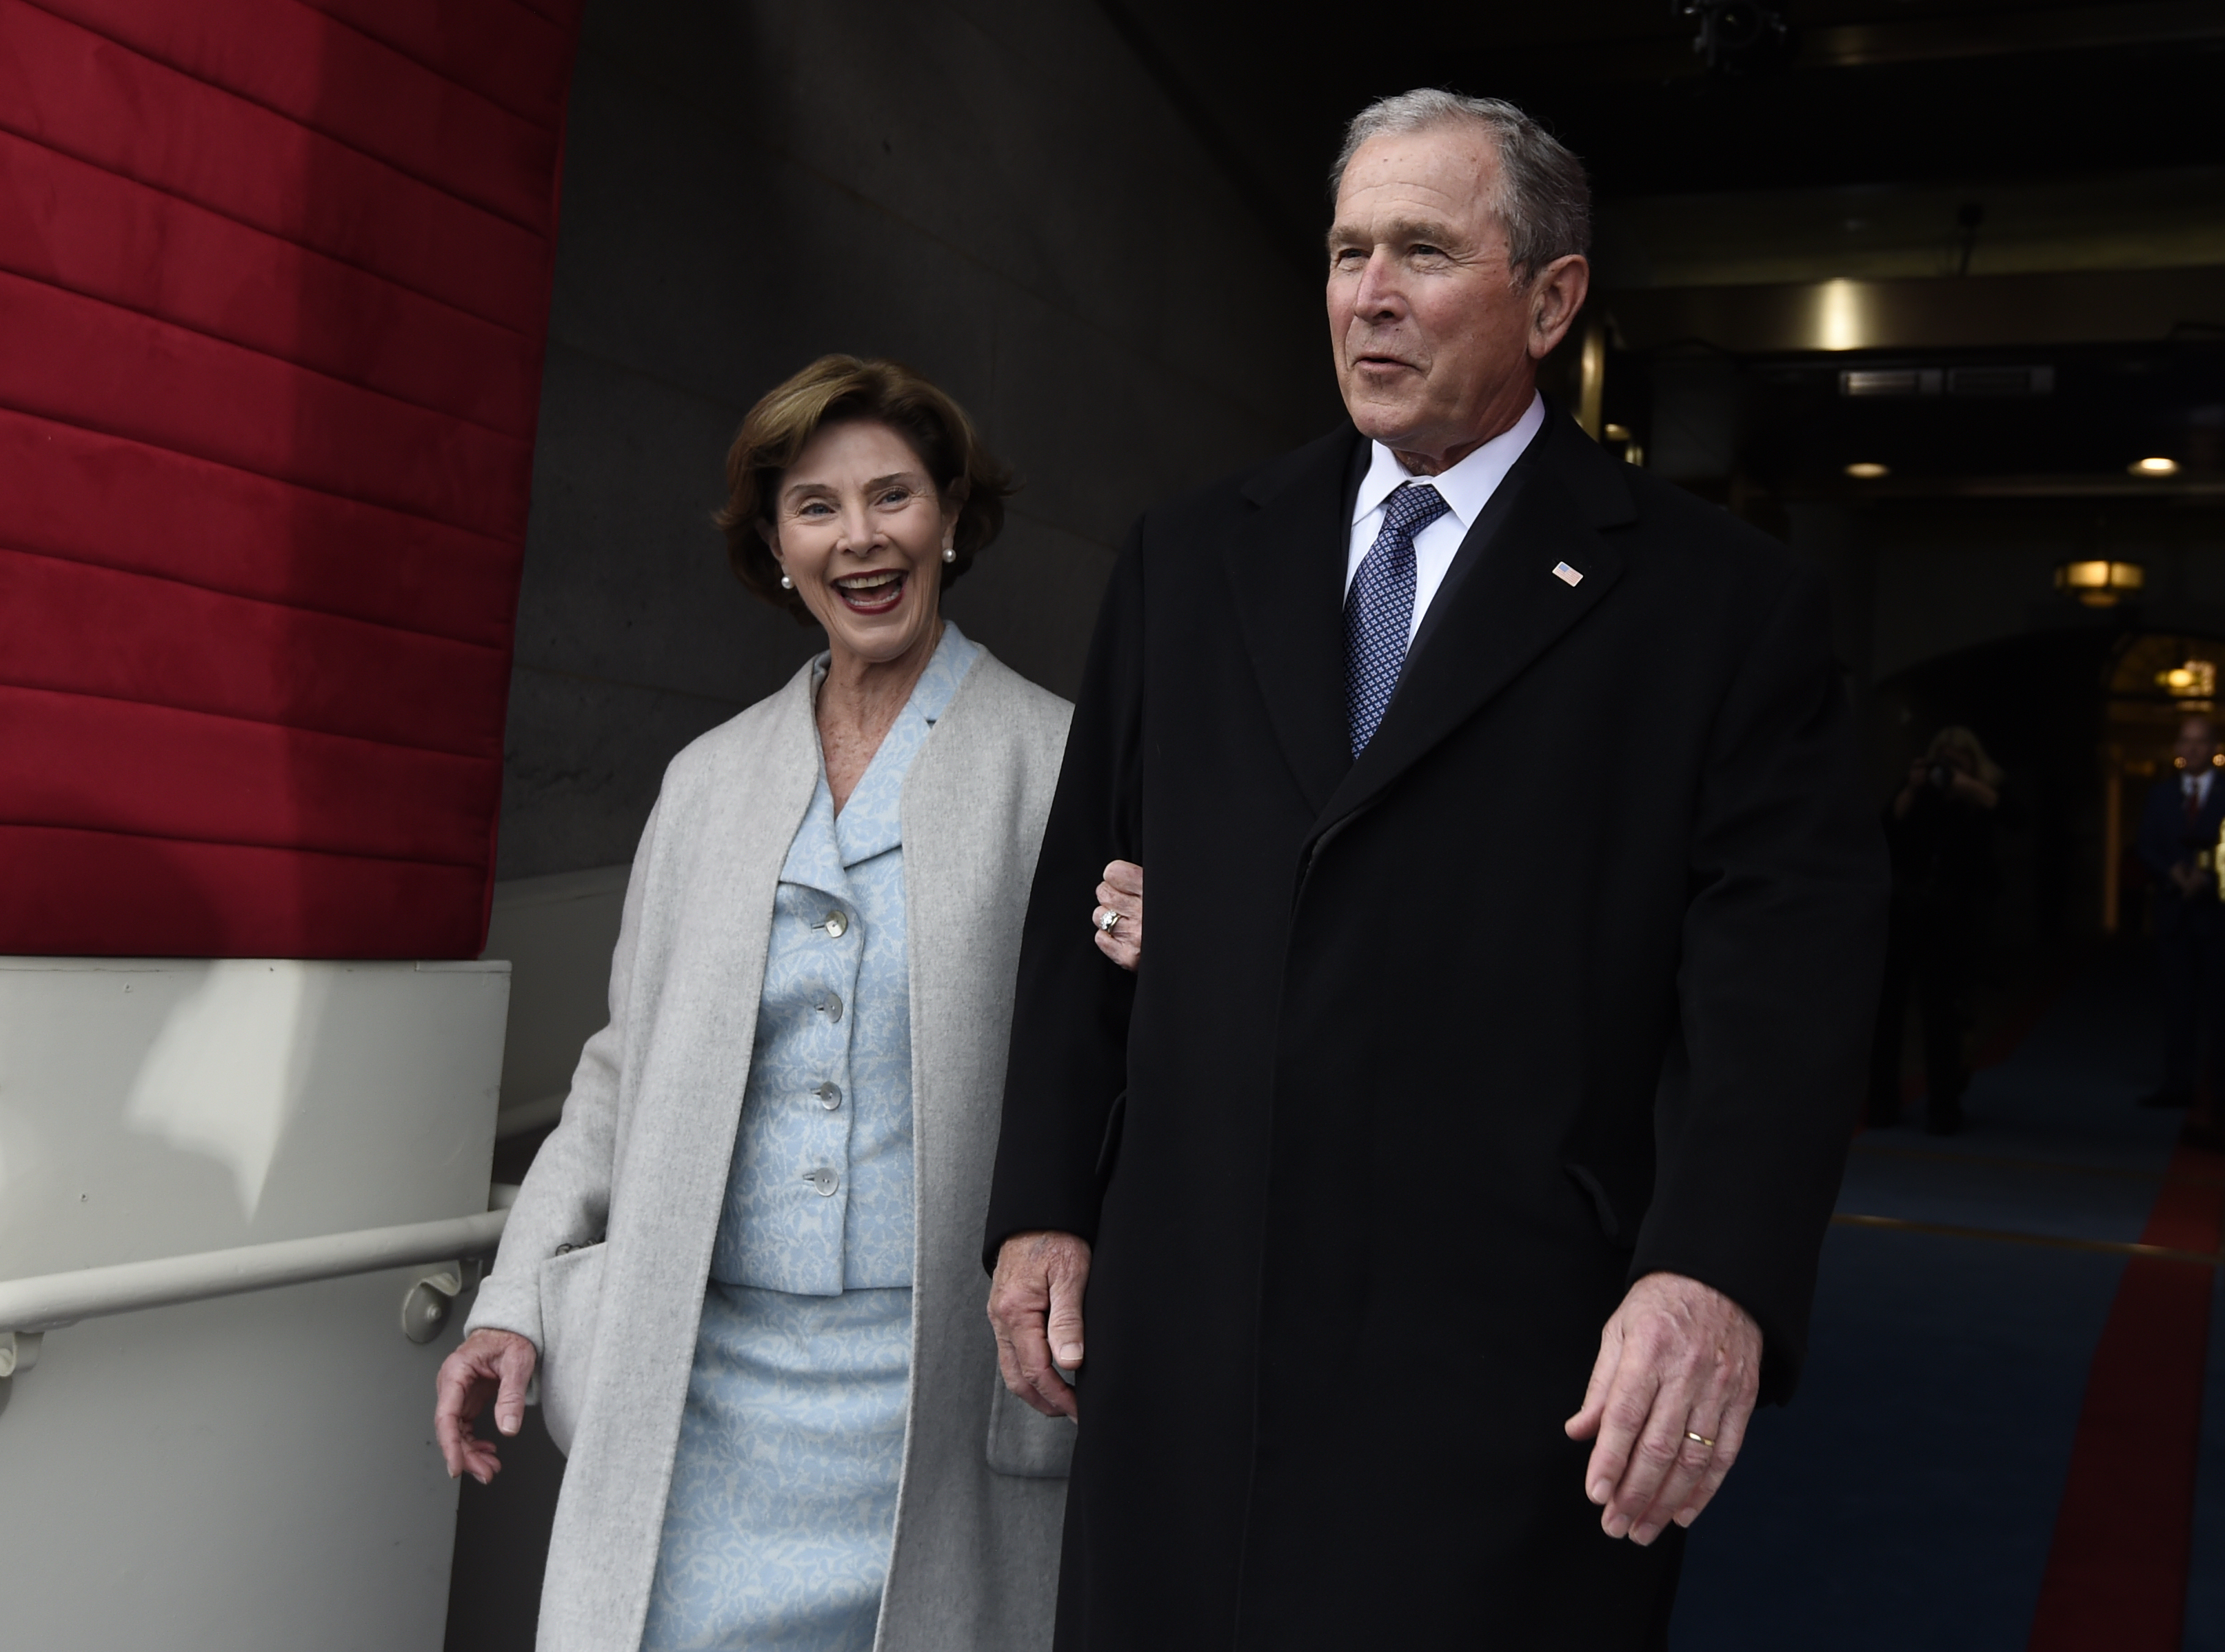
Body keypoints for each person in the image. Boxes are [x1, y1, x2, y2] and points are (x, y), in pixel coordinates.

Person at [982, 90, 1886, 1649]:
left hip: (1505, 1355)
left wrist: (1709, 1274)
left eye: (1421, 250)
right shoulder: (1188, 557)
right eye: (1345, 252)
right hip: (1190, 1327)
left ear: (1549, 297)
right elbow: (1084, 901)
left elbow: (1781, 987)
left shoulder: (1716, 604)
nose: (1369, 293)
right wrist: (1043, 1205)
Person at [438, 356, 1076, 1652]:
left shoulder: (1057, 760)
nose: (860, 539)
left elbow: (1114, 1075)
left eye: (892, 496)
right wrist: (511, 1295)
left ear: (951, 515)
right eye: (815, 506)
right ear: (773, 545)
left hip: (933, 1390)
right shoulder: (706, 779)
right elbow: (618, 1068)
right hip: (700, 1382)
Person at [1866, 727, 2004, 1135]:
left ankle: (1944, 1108)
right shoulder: (1920, 791)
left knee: (1942, 1017)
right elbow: (1886, 829)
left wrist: (1969, 788)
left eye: (1957, 762)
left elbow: (2013, 816)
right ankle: (1882, 1104)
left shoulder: (1978, 798)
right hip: (1905, 913)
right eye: (1942, 761)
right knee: (1887, 1015)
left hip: (1952, 920)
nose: (1946, 771)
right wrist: (1913, 788)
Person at [2136, 712, 2225, 1125]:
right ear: (2176, 749)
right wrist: (2172, 870)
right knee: (2177, 1005)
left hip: (2217, 918)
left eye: (2200, 741)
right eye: (2185, 741)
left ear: (2214, 748)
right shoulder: (2161, 795)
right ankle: (2177, 1085)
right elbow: (2146, 844)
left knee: (2220, 1007)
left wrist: (2206, 877)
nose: (2191, 749)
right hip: (2173, 915)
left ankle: (2221, 1093)